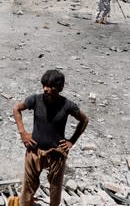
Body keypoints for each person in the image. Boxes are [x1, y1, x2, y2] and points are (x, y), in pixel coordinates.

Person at [12, 70, 89, 206]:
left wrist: (72, 141)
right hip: (34, 151)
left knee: (55, 188)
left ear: (60, 87)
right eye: (44, 85)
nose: (45, 89)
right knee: (29, 186)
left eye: (50, 86)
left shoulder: (67, 105)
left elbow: (84, 120)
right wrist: (23, 132)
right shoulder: (35, 99)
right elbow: (17, 109)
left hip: (56, 153)